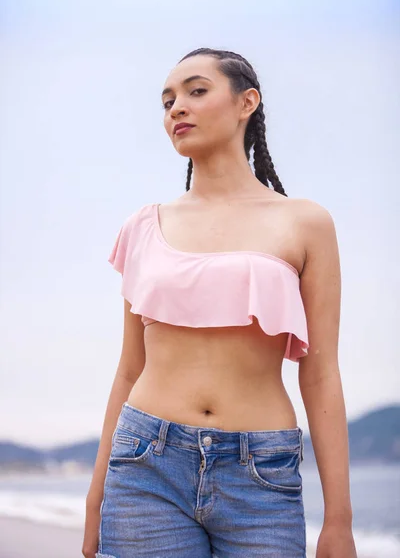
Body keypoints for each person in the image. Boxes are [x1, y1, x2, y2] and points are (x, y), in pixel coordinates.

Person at [83, 48, 357, 558]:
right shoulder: (145, 225)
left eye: (196, 91)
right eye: (167, 102)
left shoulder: (305, 223)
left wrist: (338, 520)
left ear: (245, 102)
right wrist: (96, 495)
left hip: (260, 471)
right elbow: (129, 369)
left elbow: (321, 374)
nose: (176, 109)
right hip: (146, 466)